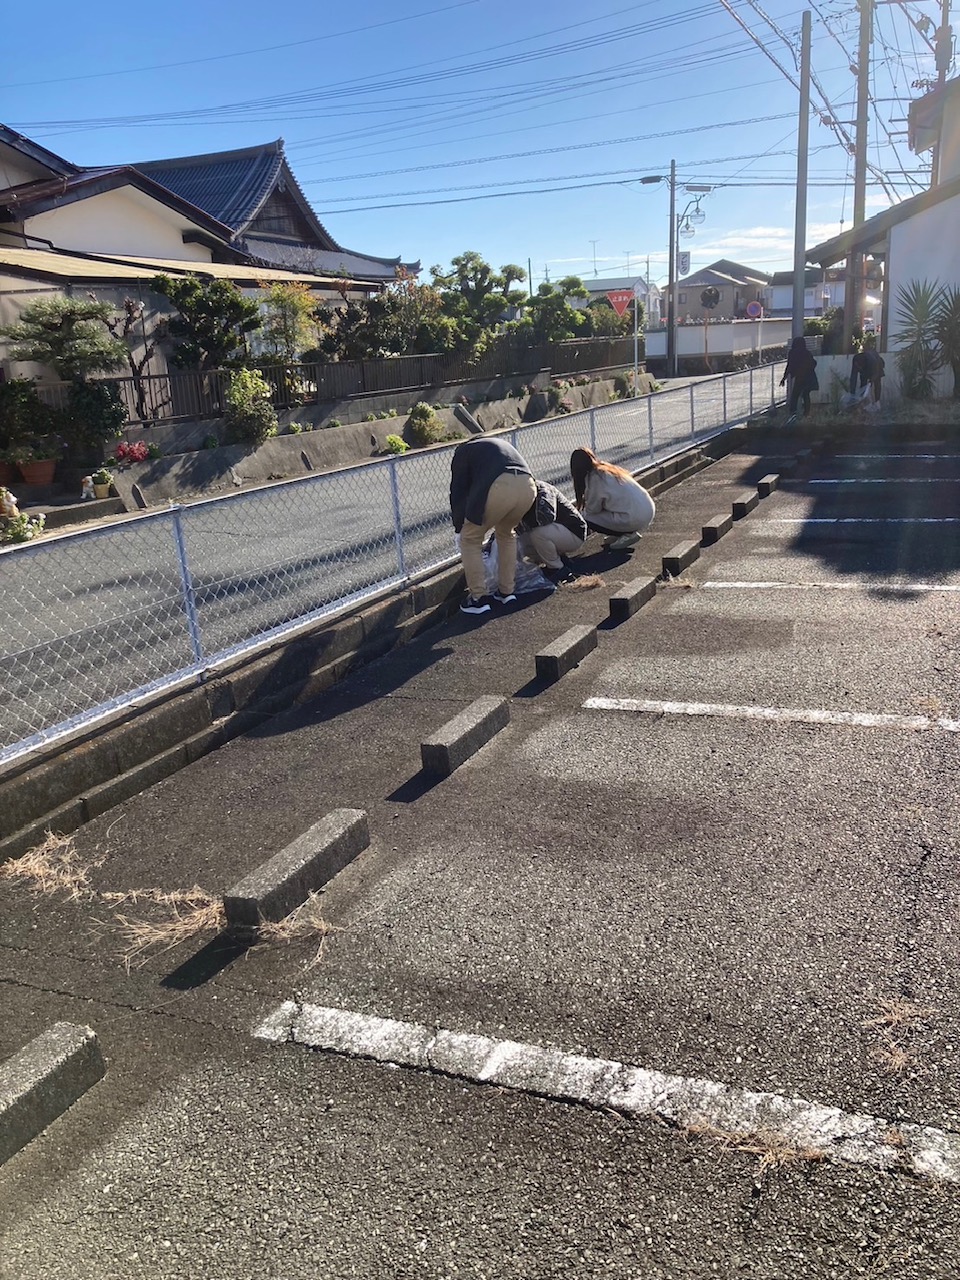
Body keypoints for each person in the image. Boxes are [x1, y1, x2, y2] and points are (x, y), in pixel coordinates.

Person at [450, 434, 537, 615]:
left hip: (500, 485)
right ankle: (507, 591)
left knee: (470, 538)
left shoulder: (463, 452)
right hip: (528, 486)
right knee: (506, 534)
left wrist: (459, 526)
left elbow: (457, 492)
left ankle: (478, 599)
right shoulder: (494, 445)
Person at [569, 447, 656, 551]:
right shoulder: (606, 469)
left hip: (634, 518)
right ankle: (621, 532)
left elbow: (593, 509)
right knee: (604, 509)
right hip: (648, 510)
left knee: (585, 517)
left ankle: (627, 534)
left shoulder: (594, 478)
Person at [517, 479, 587, 584]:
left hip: (575, 533)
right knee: (517, 541)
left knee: (538, 533)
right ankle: (561, 559)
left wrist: (519, 521)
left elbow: (545, 517)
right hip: (561, 532)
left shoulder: (542, 490)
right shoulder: (521, 496)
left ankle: (558, 568)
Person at [780, 336, 818, 421]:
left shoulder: (792, 353)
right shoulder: (807, 353)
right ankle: (806, 414)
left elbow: (789, 366)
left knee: (795, 396)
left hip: (799, 378)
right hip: (808, 377)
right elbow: (814, 363)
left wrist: (784, 378)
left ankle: (793, 414)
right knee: (806, 395)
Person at [850, 339, 885, 406]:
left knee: (877, 383)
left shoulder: (872, 361)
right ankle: (862, 403)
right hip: (865, 369)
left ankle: (877, 402)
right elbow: (853, 377)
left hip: (877, 365)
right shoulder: (856, 359)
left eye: (859, 367)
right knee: (863, 385)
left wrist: (871, 381)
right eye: (857, 368)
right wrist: (852, 394)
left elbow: (876, 373)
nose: (858, 369)